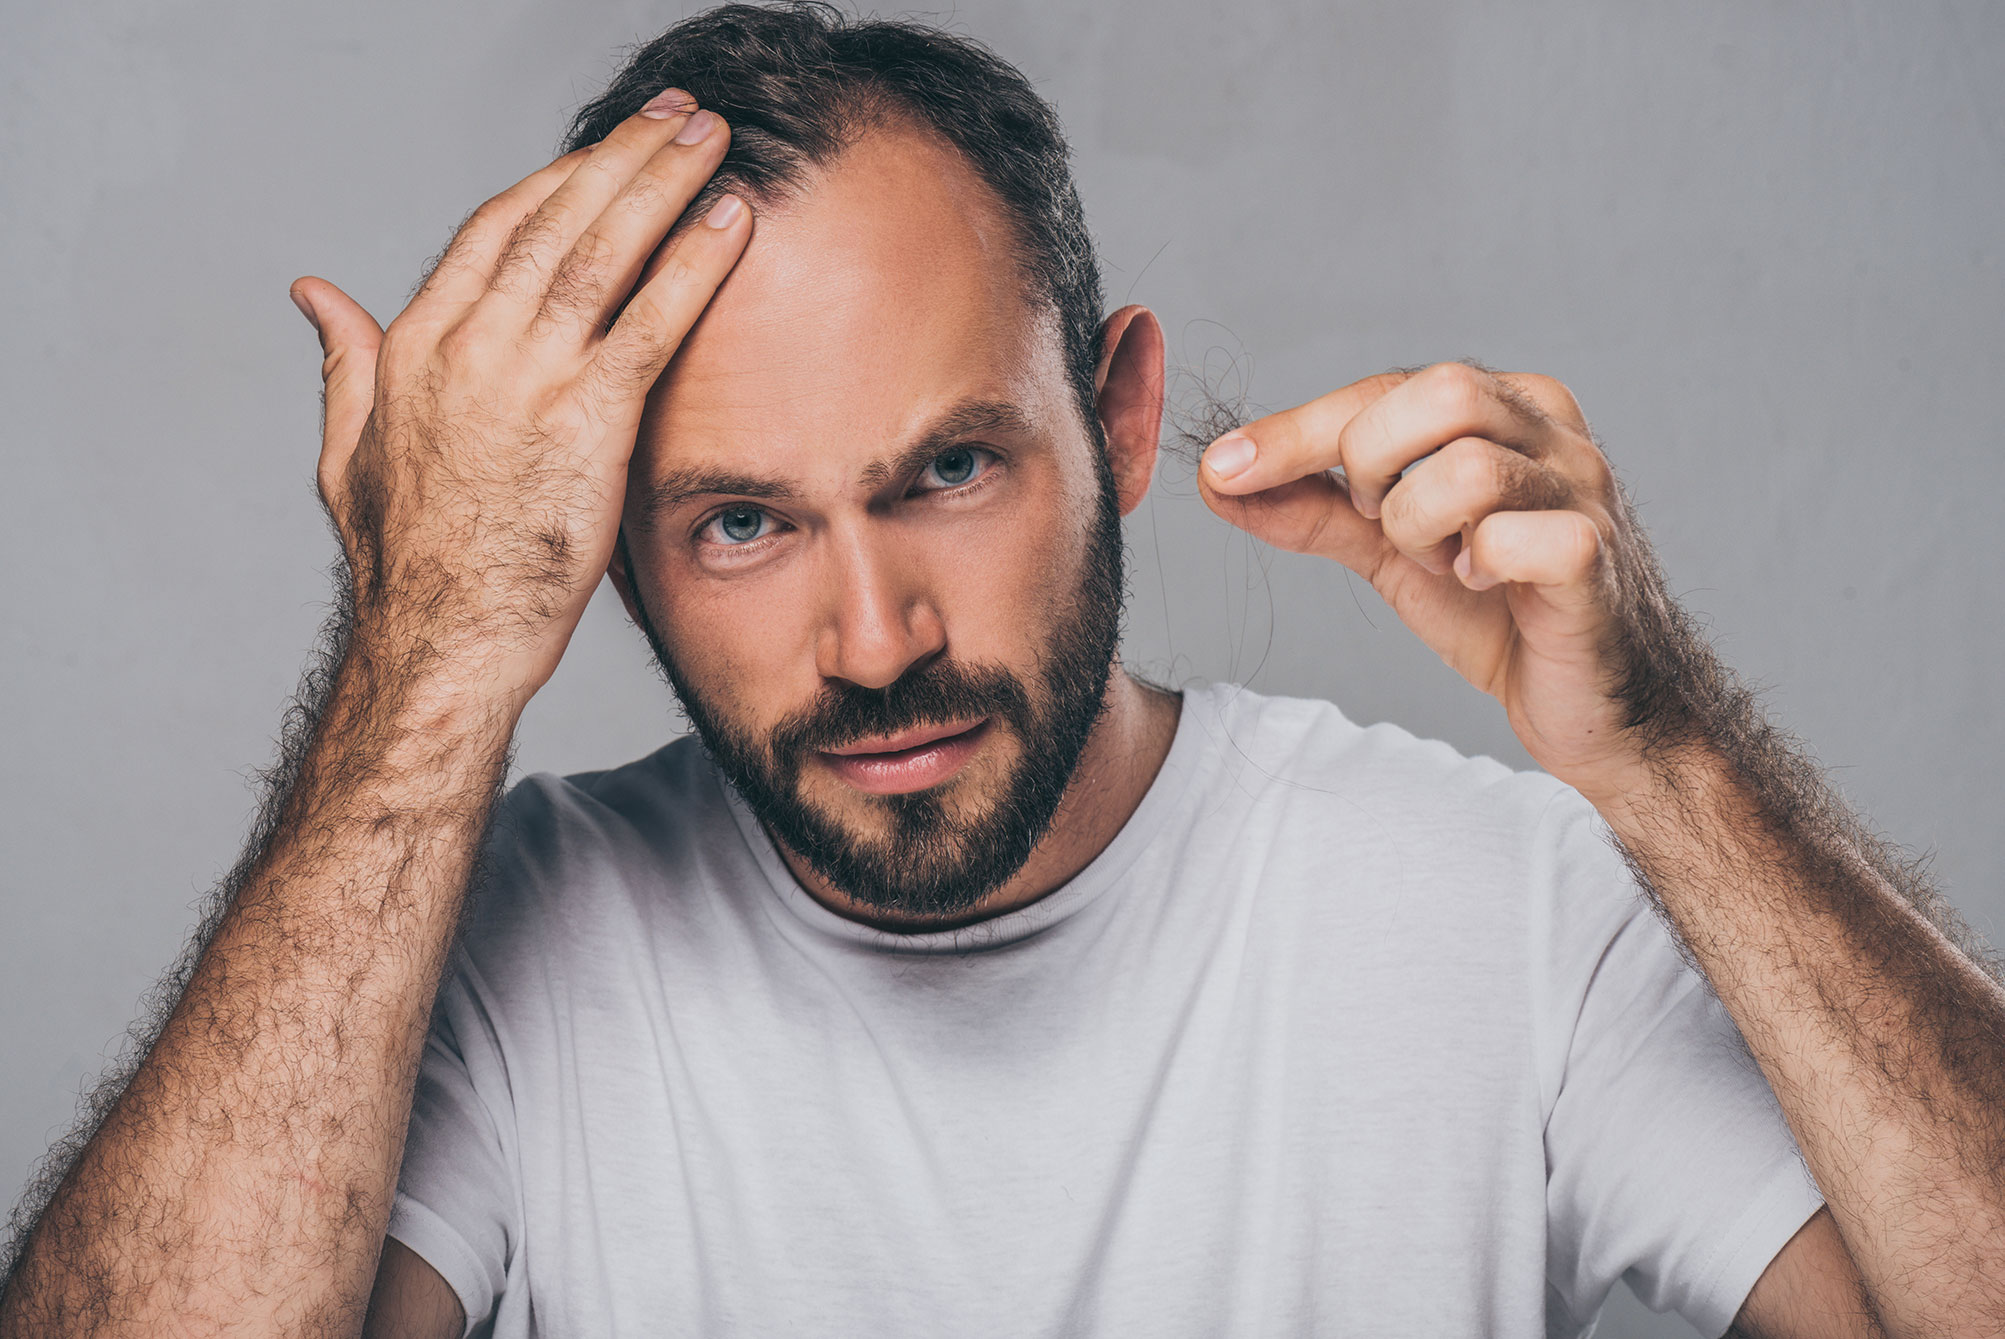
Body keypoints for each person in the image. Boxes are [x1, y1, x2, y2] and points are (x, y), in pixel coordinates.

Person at [3, 3, 2001, 1336]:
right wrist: (419, 665)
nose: (874, 643)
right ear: (603, 547)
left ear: (1120, 419)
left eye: (949, 469)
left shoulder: (1493, 909)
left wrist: (1674, 765)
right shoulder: (506, 944)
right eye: (741, 522)